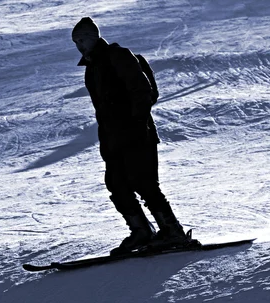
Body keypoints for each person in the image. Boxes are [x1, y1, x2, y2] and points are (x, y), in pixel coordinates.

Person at [71, 17, 190, 255]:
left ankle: (172, 231)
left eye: (82, 39)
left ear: (94, 37)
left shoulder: (118, 56)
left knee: (143, 182)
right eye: (76, 41)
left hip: (136, 133)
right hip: (112, 138)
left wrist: (137, 123)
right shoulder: (92, 68)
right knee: (116, 184)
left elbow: (143, 90)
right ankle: (141, 232)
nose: (79, 45)